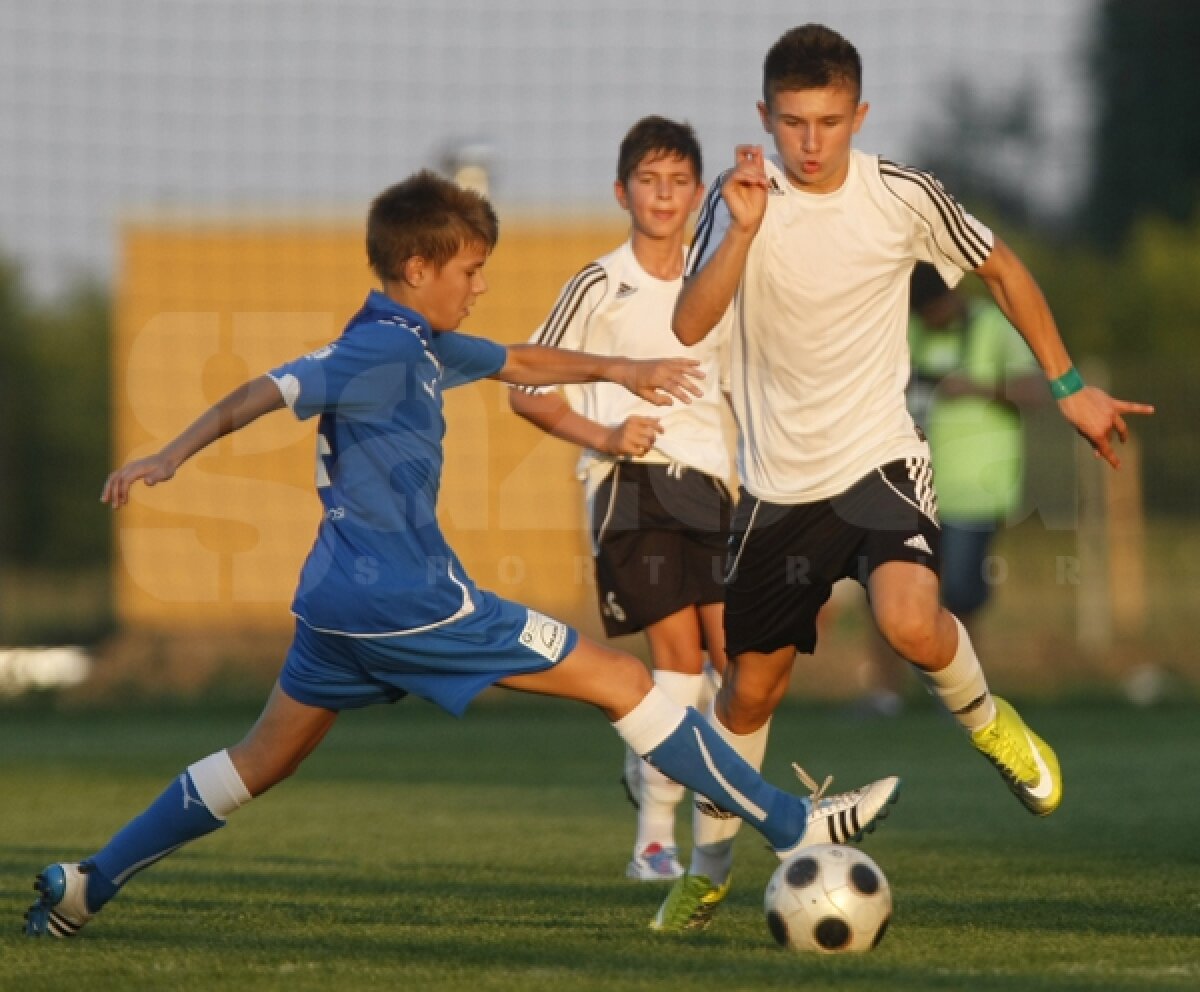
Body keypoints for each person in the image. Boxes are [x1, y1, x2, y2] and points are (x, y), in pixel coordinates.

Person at [23, 170, 901, 939]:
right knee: (623, 682)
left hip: (333, 608)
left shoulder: (417, 340)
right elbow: (272, 387)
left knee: (261, 759)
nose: (479, 286)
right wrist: (170, 454)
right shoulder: (374, 349)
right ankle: (795, 826)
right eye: (470, 271)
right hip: (416, 602)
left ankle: (86, 885)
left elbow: (518, 358)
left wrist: (625, 372)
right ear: (418, 269)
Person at [651, 24, 1154, 932]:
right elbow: (689, 325)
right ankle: (711, 866)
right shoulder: (736, 205)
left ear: (860, 115)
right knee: (749, 694)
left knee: (910, 618)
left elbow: (1001, 267)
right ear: (764, 116)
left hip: (880, 457)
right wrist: (744, 231)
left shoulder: (902, 195)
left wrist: (1068, 385)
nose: (811, 143)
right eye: (794, 122)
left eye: (830, 122)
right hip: (774, 488)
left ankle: (988, 720)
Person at [510, 116, 732, 882]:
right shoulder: (600, 284)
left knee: (734, 671)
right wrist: (606, 438)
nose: (663, 195)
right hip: (632, 488)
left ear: (700, 194)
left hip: (721, 489)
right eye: (648, 180)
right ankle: (654, 842)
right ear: (621, 191)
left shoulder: (723, 279)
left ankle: (660, 775)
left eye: (678, 182)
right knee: (677, 662)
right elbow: (527, 387)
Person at [857, 263, 1049, 716]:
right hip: (908, 487)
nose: (928, 319)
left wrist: (978, 389)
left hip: (975, 490)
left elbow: (1034, 391)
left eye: (933, 310)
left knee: (960, 593)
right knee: (883, 589)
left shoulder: (992, 328)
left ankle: (965, 700)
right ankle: (885, 694)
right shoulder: (908, 330)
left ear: (951, 298)